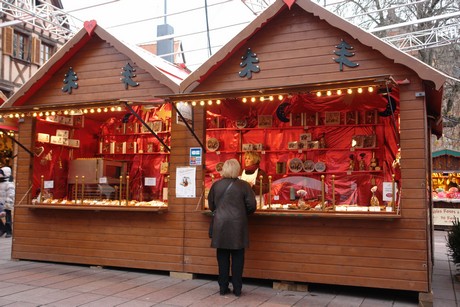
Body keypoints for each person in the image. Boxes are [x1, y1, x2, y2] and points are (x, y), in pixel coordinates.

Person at [208, 159, 257, 297]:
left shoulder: (216, 185)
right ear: (238, 170)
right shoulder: (244, 186)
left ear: (224, 169)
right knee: (238, 257)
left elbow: (212, 206)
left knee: (222, 257)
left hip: (220, 224)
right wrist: (242, 213)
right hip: (238, 225)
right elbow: (252, 206)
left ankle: (223, 287)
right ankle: (237, 289)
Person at [0, 166, 14, 238]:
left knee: (8, 218)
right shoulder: (0, 183)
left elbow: (11, 194)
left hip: (7, 203)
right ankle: (2, 228)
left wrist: (8, 204)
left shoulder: (9, 184)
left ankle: (9, 231)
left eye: (1, 173)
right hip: (0, 204)